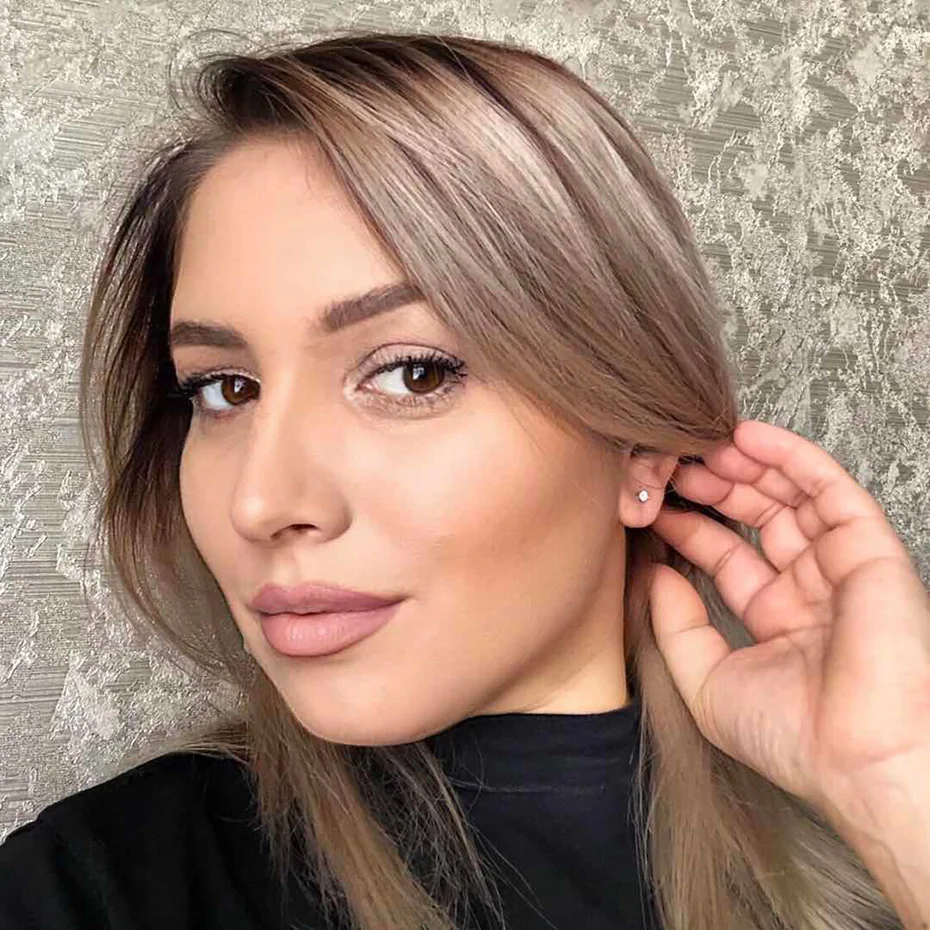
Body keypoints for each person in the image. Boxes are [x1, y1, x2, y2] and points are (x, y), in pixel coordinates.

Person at [1, 28, 928, 930]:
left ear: (640, 449)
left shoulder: (876, 846)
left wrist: (890, 780)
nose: (261, 503)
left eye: (413, 374)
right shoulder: (96, 889)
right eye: (224, 389)